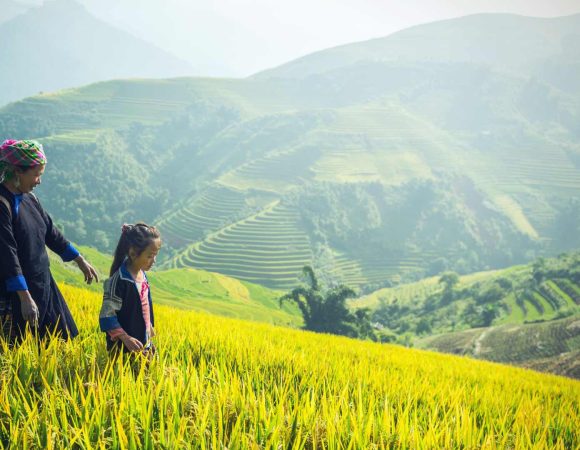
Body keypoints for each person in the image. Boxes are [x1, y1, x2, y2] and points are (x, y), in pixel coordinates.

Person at [0, 139, 99, 341]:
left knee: (63, 340)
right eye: (36, 174)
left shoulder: (30, 199)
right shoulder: (3, 204)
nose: (39, 181)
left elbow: (51, 233)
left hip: (43, 285)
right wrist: (24, 297)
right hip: (17, 293)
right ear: (18, 171)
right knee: (20, 348)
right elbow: (7, 254)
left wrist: (79, 260)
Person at [99, 223, 161, 356]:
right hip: (123, 351)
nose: (154, 261)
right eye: (150, 256)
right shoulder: (119, 281)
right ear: (133, 253)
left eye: (155, 256)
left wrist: (149, 328)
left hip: (142, 345)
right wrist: (126, 338)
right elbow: (107, 315)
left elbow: (144, 305)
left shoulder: (142, 276)